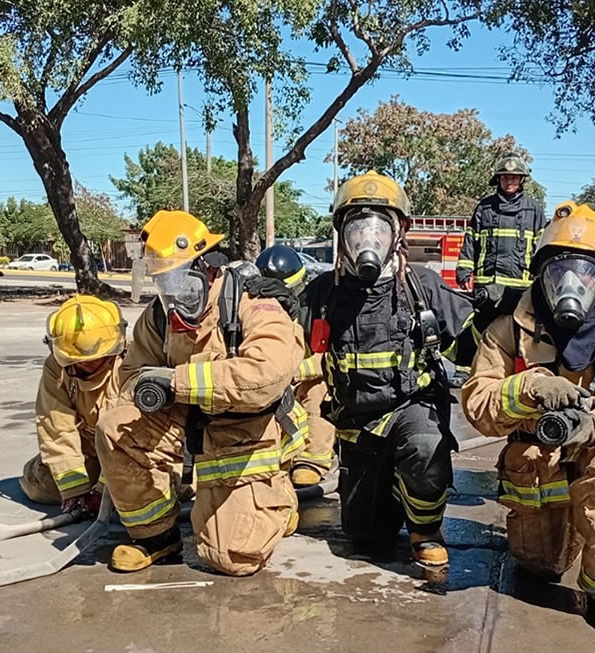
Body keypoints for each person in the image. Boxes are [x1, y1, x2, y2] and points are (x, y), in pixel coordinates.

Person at [461, 201, 595, 631]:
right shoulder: (509, 325)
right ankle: (562, 534)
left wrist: (594, 425)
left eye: (585, 271)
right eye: (558, 270)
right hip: (540, 452)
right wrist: (528, 388)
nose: (571, 282)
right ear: (540, 272)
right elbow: (478, 404)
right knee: (540, 566)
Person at [93, 210, 307, 576]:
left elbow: (265, 377)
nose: (173, 296)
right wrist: (147, 389)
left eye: (179, 281)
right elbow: (129, 375)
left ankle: (278, 497)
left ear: (207, 268)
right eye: (164, 284)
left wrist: (177, 382)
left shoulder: (253, 304)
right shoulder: (160, 317)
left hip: (246, 428)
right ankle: (156, 538)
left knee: (230, 557)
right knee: (115, 428)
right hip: (187, 418)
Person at [301, 171, 474, 567]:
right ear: (341, 234)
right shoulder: (323, 293)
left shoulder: (423, 287)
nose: (369, 239)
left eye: (381, 227)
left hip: (410, 410)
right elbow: (280, 351)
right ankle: (392, 489)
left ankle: (425, 530)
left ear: (399, 233)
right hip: (356, 425)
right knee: (365, 537)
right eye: (358, 226)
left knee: (425, 446)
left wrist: (499, 320)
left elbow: (476, 347)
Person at [21, 295, 126, 514]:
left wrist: (103, 491)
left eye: (95, 358)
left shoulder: (131, 363)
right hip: (87, 449)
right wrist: (74, 491)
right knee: (41, 485)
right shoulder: (56, 369)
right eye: (77, 359)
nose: (87, 364)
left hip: (132, 454)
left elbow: (132, 435)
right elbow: (55, 426)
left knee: (148, 489)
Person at [451, 151, 548, 387]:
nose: (510, 181)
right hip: (489, 283)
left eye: (515, 177)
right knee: (477, 327)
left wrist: (543, 279)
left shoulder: (534, 210)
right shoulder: (484, 208)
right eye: (505, 177)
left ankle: (516, 373)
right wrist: (464, 270)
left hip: (522, 285)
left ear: (522, 180)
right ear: (498, 179)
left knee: (520, 330)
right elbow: (471, 240)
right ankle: (465, 368)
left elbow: (541, 246)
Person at [256, 244, 335, 488]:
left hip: (300, 378)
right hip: (265, 379)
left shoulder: (313, 309)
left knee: (316, 390)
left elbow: (328, 359)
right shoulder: (250, 311)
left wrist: (293, 373)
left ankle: (311, 461)